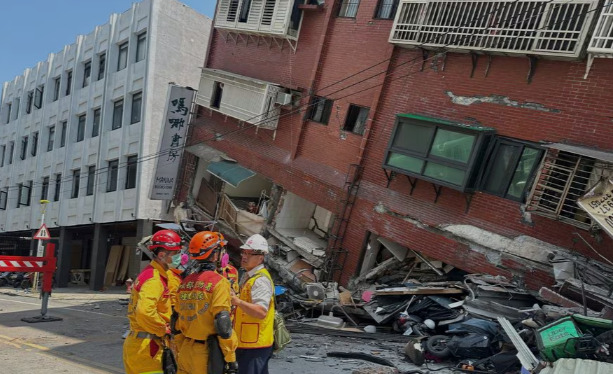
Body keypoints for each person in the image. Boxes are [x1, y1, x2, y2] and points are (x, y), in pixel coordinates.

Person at [175, 231, 238, 374]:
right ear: (215, 254)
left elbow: (175, 321)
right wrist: (231, 358)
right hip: (205, 354)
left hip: (185, 350)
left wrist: (180, 347)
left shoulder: (185, 282)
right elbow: (223, 323)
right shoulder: (219, 282)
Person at [123, 229, 183, 374]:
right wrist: (164, 328)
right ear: (162, 255)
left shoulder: (152, 273)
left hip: (139, 345)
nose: (179, 257)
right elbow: (144, 311)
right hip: (148, 349)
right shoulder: (154, 279)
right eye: (175, 253)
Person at [231, 234, 275, 374]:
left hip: (255, 345)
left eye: (250, 253)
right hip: (248, 342)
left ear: (261, 257)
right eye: (244, 252)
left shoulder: (260, 280)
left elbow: (261, 312)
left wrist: (237, 301)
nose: (244, 256)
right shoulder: (249, 276)